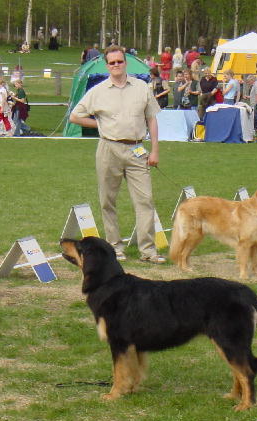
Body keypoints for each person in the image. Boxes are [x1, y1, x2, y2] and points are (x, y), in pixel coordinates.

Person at [69, 45, 166, 264]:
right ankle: (115, 248)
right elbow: (75, 116)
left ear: (125, 63)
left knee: (145, 200)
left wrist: (155, 151)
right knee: (107, 200)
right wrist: (100, 124)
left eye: (119, 62)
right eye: (112, 63)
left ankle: (148, 251)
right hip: (108, 148)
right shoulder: (98, 91)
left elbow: (152, 119)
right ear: (107, 65)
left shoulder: (142, 87)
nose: (116, 66)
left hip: (137, 149)